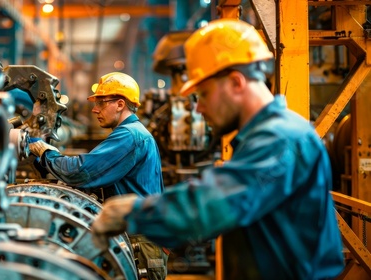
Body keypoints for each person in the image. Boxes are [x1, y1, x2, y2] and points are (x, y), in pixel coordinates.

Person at [91, 19, 344, 279]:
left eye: (204, 93)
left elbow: (213, 204)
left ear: (236, 82)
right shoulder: (264, 137)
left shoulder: (281, 139)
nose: (198, 108)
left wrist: (133, 212)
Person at [29, 71, 168, 279]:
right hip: (140, 239)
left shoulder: (130, 136)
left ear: (120, 104)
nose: (95, 110)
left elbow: (81, 171)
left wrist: (45, 152)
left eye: (101, 103)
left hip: (141, 244)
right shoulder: (133, 133)